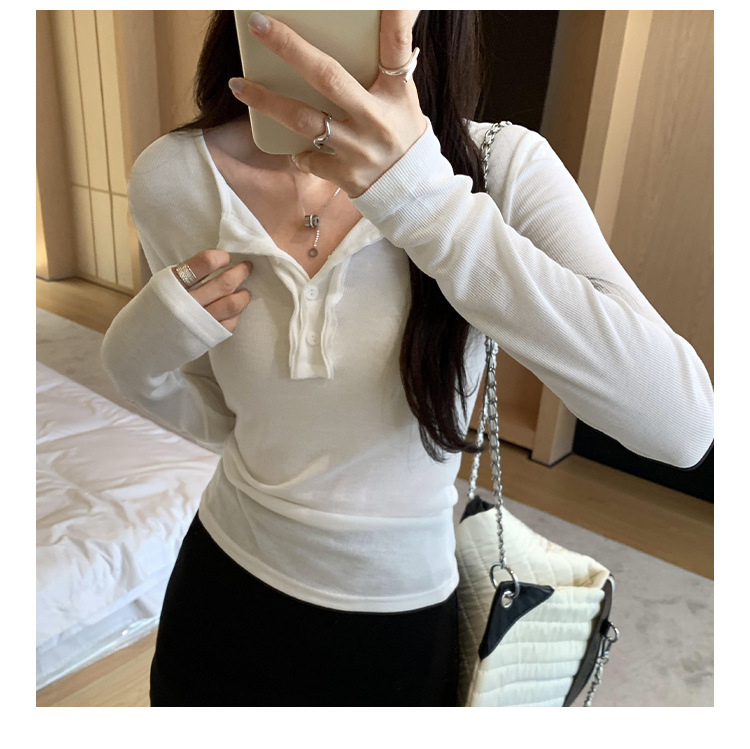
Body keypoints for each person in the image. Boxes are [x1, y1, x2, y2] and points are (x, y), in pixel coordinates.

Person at [100, 10, 714, 707]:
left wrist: (422, 199)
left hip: (399, 626)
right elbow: (222, 419)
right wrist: (132, 352)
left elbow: (682, 424)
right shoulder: (174, 175)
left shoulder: (501, 167)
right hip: (221, 598)